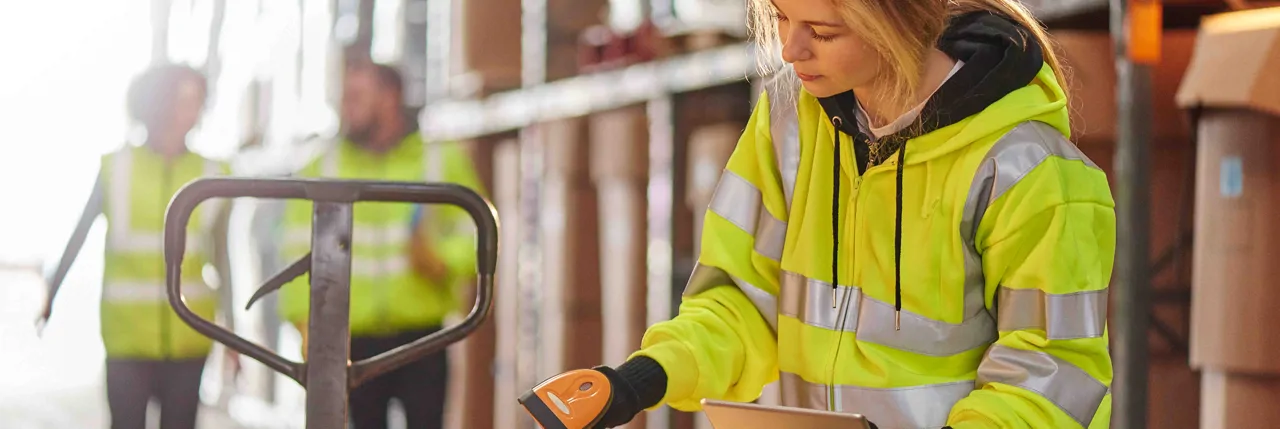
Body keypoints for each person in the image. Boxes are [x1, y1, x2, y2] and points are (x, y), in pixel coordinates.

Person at [540, 1, 1115, 428]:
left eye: (822, 30)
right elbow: (741, 300)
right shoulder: (789, 125)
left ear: (902, 20)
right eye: (780, 16)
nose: (790, 50)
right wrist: (644, 377)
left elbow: (1050, 374)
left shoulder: (1031, 171)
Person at [278, 61, 485, 429]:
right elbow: (295, 250)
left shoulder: (440, 159)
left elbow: (478, 230)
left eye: (356, 97)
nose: (345, 107)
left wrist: (440, 260)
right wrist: (305, 326)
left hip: (423, 337)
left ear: (390, 98)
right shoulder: (322, 164)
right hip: (350, 338)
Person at [38, 64, 236, 429]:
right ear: (156, 103)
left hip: (190, 338)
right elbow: (79, 233)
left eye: (197, 101)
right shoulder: (117, 167)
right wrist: (52, 293)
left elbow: (222, 259)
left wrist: (232, 336)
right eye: (182, 100)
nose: (191, 111)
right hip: (127, 338)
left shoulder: (213, 172)